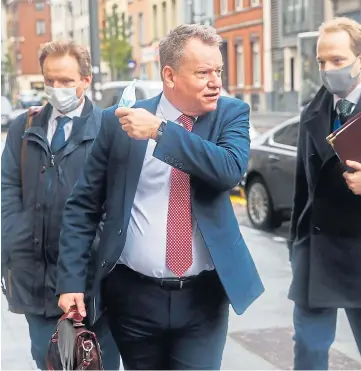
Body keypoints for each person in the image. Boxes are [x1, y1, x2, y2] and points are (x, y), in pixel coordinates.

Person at [56, 24, 264, 370]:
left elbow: (229, 169)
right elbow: (83, 206)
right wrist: (71, 281)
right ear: (169, 75)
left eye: (218, 71)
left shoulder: (231, 114)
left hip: (203, 298)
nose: (216, 81)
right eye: (203, 72)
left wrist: (161, 131)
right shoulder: (118, 123)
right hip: (134, 296)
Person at [1, 40, 120, 371]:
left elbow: (115, 203)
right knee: (48, 359)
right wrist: (14, 236)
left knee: (96, 362)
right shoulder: (23, 129)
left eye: (66, 81)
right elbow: (8, 186)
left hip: (92, 282)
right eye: (49, 80)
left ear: (85, 80)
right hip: (36, 279)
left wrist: (90, 252)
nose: (57, 89)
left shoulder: (106, 130)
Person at [288, 17, 361, 370]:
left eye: (337, 60)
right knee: (309, 350)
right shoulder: (312, 112)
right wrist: (295, 246)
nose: (328, 69)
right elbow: (303, 189)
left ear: (359, 60)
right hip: (316, 251)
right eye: (321, 61)